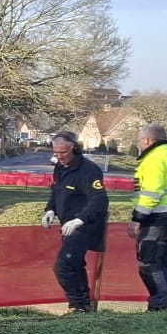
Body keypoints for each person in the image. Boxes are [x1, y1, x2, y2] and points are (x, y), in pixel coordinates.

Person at [41, 131, 109, 313]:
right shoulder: (60, 168)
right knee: (75, 265)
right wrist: (50, 209)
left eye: (63, 152)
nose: (59, 157)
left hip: (85, 225)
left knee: (64, 265)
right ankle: (84, 306)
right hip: (67, 225)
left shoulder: (89, 170)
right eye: (56, 153)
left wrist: (80, 220)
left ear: (74, 148)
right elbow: (57, 191)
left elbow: (100, 200)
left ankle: (78, 305)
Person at [131, 123, 167, 311]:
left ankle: (159, 305)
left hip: (156, 218)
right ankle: (163, 304)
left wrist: (138, 218)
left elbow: (152, 192)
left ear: (147, 140)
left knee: (149, 262)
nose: (139, 144)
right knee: (162, 263)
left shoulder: (154, 159)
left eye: (140, 140)